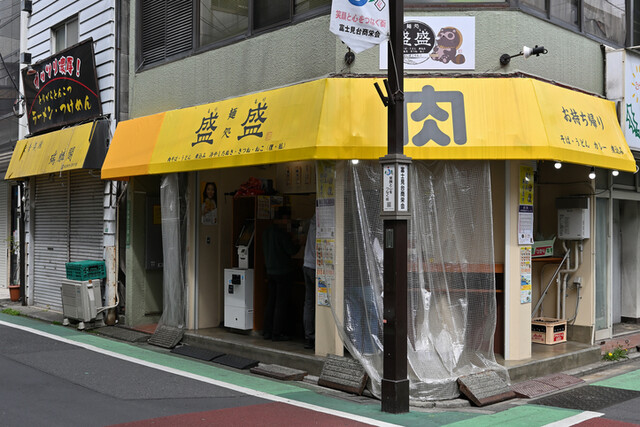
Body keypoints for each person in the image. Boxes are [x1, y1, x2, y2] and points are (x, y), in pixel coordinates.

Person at [262, 206, 299, 341]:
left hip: (270, 271)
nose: (288, 222)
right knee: (281, 303)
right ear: (283, 218)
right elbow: (291, 250)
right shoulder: (282, 234)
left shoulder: (266, 231)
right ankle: (277, 333)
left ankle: (267, 331)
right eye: (288, 219)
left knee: (271, 301)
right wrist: (297, 242)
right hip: (283, 271)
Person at [302, 213, 316, 349]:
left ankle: (309, 337)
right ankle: (319, 338)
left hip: (307, 265)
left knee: (309, 303)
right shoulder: (326, 218)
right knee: (323, 303)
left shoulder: (312, 221)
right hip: (317, 268)